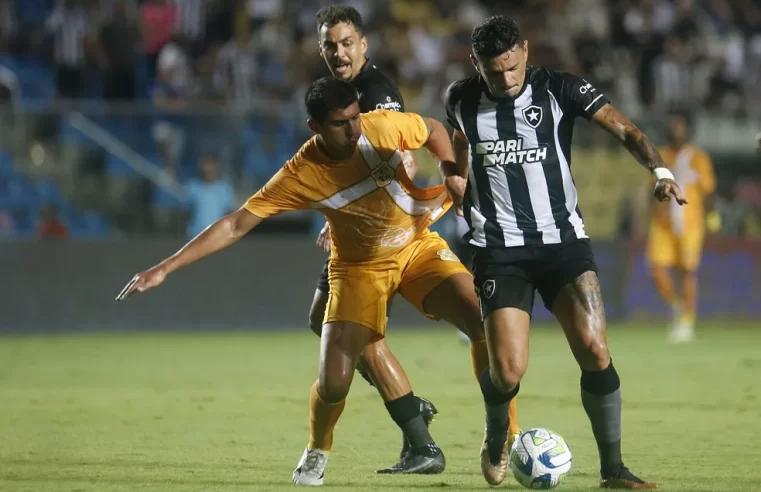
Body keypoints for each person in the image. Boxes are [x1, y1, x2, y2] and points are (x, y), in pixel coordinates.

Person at [117, 77, 494, 485]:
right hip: (358, 269)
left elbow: (435, 130)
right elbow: (235, 224)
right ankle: (318, 449)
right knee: (335, 383)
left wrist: (451, 173)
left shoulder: (380, 125)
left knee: (481, 317)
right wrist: (165, 267)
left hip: (415, 244)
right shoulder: (302, 173)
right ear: (316, 127)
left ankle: (502, 439)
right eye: (340, 124)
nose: (353, 130)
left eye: (354, 117)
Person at [441, 15, 686, 488]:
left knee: (596, 350)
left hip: (564, 242)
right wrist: (455, 174)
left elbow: (626, 130)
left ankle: (613, 470)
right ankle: (497, 435)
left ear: (526, 52)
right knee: (508, 370)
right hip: (500, 249)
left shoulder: (560, 88)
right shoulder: (460, 99)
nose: (508, 80)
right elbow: (457, 144)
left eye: (513, 68)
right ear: (477, 64)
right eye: (496, 73)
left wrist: (659, 173)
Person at [310, 5, 519, 473]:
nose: (339, 53)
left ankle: (497, 433)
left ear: (363, 44)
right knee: (323, 324)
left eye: (347, 43)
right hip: (358, 236)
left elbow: (399, 155)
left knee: (475, 323)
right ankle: (415, 427)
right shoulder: (336, 94)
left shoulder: (376, 94)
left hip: (390, 234)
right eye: (330, 45)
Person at [647, 112, 715, 343]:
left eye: (681, 126)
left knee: (686, 272)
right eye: (673, 126)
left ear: (688, 130)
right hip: (663, 224)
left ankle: (687, 321)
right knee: (656, 269)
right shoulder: (661, 156)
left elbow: (708, 190)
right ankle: (677, 305)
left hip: (690, 222)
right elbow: (652, 191)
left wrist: (712, 217)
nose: (677, 131)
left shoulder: (698, 157)